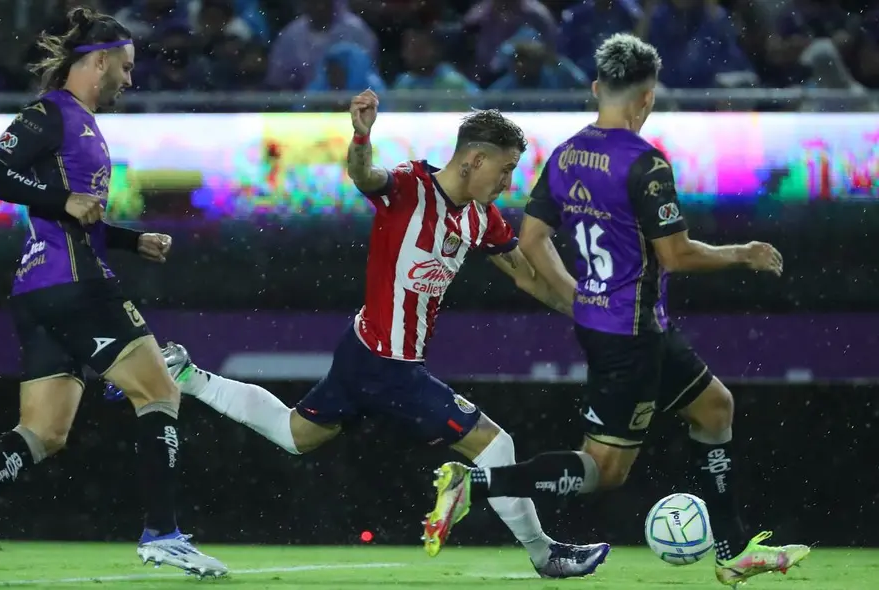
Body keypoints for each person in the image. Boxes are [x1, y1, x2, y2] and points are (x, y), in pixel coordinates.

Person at [108, 91, 610, 578]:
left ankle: (189, 378)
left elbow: (527, 276)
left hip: (363, 351)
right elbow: (364, 174)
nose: (507, 181)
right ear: (475, 159)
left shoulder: (481, 217)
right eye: (505, 169)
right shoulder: (410, 185)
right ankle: (545, 555)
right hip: (389, 365)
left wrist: (586, 313)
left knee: (294, 434)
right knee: (496, 446)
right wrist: (362, 135)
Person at [422, 33, 811, 587]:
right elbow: (674, 254)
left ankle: (732, 550)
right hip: (631, 335)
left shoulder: (566, 155)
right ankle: (476, 484)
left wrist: (580, 296)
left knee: (714, 408)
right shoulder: (644, 164)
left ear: (596, 88)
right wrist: (741, 253)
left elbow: (532, 239)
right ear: (647, 98)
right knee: (603, 471)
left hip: (624, 325)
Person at [0, 8, 227, 582]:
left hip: (41, 293)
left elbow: (76, 217)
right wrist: (63, 201)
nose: (129, 79)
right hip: (74, 285)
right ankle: (164, 535)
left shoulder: (83, 123)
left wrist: (129, 240)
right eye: (125, 67)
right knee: (159, 391)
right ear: (98, 61)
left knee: (44, 433)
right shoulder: (51, 113)